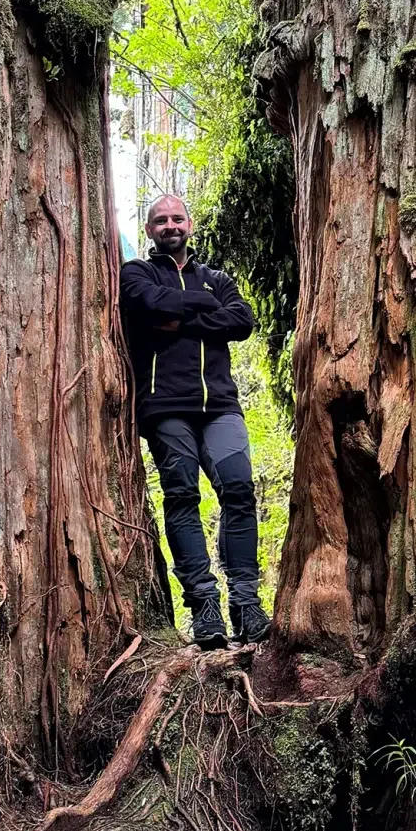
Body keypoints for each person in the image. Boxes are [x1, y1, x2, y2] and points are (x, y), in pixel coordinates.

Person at [119, 193, 270, 650]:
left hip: (220, 406)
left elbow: (243, 320)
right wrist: (205, 310)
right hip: (165, 407)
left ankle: (246, 602)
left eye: (176, 218)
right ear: (149, 230)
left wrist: (180, 317)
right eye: (160, 220)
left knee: (239, 492)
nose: (169, 225)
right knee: (182, 497)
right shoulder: (137, 272)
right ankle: (204, 606)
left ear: (190, 225)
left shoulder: (215, 278)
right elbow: (146, 304)